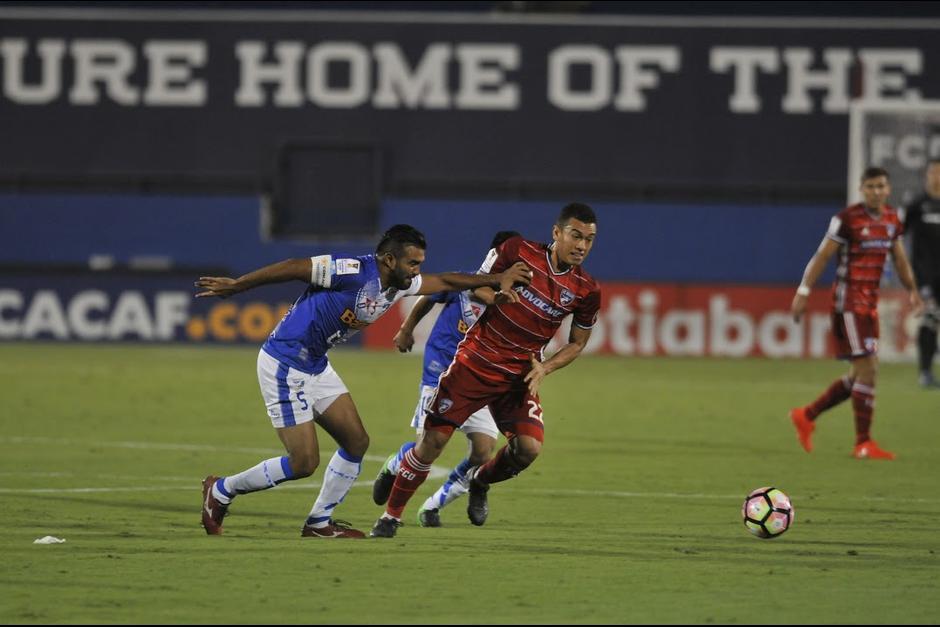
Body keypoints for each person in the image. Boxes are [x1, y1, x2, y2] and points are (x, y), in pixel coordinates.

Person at [194, 224, 531, 538]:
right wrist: (239, 285)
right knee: (303, 463)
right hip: (284, 362)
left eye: (419, 264)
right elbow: (295, 265)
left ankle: (319, 523)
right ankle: (222, 490)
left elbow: (444, 282)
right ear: (388, 259)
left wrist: (497, 277)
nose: (417, 271)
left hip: (315, 365)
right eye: (412, 263)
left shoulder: (398, 284)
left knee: (356, 443)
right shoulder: (353, 271)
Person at [370, 204, 601, 538]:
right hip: (475, 363)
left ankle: (478, 481)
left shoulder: (586, 290)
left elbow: (578, 342)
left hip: (520, 375)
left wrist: (546, 368)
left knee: (527, 449)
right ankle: (391, 517)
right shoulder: (517, 251)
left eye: (589, 240)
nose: (582, 246)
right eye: (575, 235)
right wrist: (496, 296)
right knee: (432, 442)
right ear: (557, 232)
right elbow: (476, 284)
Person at [372, 230, 521, 528]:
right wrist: (406, 329)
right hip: (440, 372)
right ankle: (395, 464)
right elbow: (428, 299)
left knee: (483, 451)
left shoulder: (519, 299)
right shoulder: (466, 282)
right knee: (426, 448)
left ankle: (435, 504)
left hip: (479, 379)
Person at [790, 167, 923, 460]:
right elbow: (823, 255)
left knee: (860, 374)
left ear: (888, 190)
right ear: (862, 189)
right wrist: (803, 291)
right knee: (869, 370)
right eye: (871, 186)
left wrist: (912, 290)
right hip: (848, 304)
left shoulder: (891, 220)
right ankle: (863, 443)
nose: (876, 191)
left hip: (869, 306)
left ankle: (806, 415)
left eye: (881, 186)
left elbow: (899, 259)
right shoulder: (846, 219)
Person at [901, 158, 940, 389]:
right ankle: (925, 372)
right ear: (926, 176)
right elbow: (898, 235)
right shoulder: (917, 205)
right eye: (933, 172)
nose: (936, 176)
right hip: (925, 275)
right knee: (930, 317)